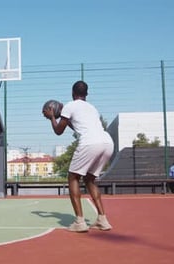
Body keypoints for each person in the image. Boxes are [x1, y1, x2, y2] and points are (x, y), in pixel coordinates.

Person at [43, 80, 114, 232]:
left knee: (73, 177)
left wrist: (53, 117)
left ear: (72, 93)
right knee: (89, 179)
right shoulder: (92, 108)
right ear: (86, 94)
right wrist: (64, 116)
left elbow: (58, 131)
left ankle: (80, 222)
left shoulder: (70, 106)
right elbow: (76, 125)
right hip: (107, 142)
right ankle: (102, 219)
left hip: (90, 143)